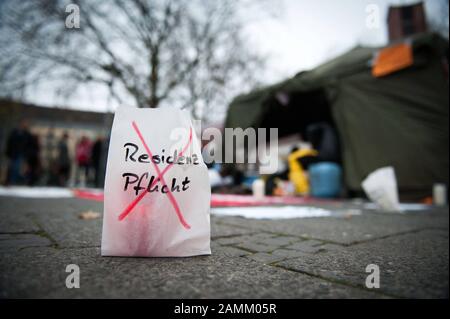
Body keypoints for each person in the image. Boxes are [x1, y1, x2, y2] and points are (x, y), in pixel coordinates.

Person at [5, 120, 32, 185]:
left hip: (22, 153)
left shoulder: (27, 134)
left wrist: (27, 153)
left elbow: (29, 144)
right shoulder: (14, 132)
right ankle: (12, 181)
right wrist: (8, 152)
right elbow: (10, 143)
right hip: (14, 153)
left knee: (17, 168)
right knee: (13, 167)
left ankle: (14, 181)